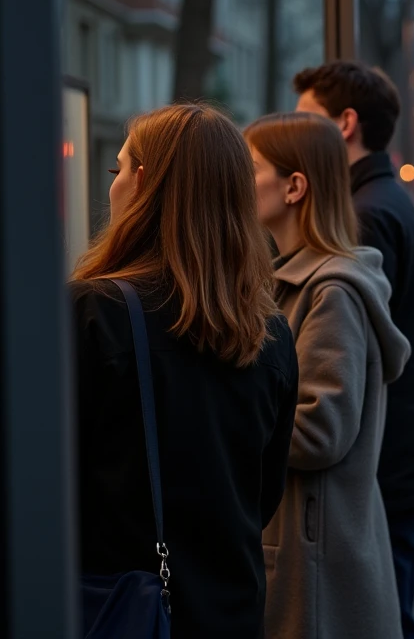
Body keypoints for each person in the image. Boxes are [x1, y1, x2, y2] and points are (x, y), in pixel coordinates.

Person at [71, 104, 299, 637]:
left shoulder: (93, 312)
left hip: (120, 611)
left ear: (142, 182)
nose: (113, 183)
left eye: (118, 168)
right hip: (231, 609)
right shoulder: (269, 329)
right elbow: (264, 490)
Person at [294, 61, 414, 639]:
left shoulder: (364, 216)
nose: (296, 133)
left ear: (344, 124)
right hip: (405, 461)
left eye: (306, 119)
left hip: (386, 468)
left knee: (386, 621)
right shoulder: (385, 198)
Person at [245, 112, 410, 639]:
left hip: (313, 557)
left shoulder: (331, 292)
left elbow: (320, 433)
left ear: (294, 187)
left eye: (251, 168)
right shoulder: (291, 279)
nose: (240, 182)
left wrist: (224, 419)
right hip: (305, 544)